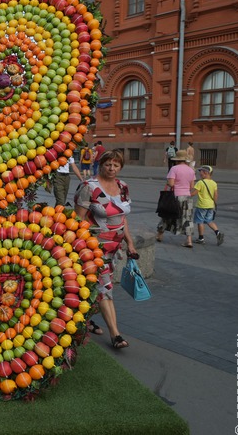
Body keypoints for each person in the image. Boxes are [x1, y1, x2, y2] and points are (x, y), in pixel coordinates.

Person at [74, 149, 137, 350]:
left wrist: (130, 243)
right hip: (95, 249)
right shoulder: (88, 187)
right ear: (101, 165)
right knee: (105, 288)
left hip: (114, 249)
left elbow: (122, 218)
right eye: (108, 164)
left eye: (116, 165)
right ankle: (115, 335)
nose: (112, 168)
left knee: (95, 287)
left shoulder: (123, 187)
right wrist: (82, 248)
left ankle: (86, 319)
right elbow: (77, 220)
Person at [156, 149, 195, 246]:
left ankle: (160, 235)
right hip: (187, 197)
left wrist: (169, 183)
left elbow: (171, 183)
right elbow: (192, 186)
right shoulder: (191, 170)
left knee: (166, 215)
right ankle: (189, 240)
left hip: (175, 196)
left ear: (177, 159)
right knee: (187, 218)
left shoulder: (174, 169)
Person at [192, 165, 224, 246]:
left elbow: (194, 193)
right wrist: (214, 203)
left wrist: (187, 194)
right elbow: (216, 194)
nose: (200, 173)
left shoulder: (200, 182)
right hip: (210, 205)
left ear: (206, 173)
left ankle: (201, 238)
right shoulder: (214, 183)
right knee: (209, 221)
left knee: (200, 221)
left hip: (202, 205)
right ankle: (218, 233)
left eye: (201, 172)